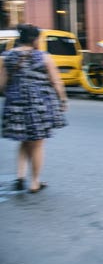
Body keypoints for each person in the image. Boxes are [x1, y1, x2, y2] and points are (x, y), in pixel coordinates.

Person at [0, 24, 68, 193]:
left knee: (24, 141)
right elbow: (56, 82)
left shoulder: (7, 57)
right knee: (37, 144)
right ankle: (35, 182)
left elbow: (1, 84)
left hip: (15, 104)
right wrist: (63, 100)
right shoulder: (43, 57)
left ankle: (20, 177)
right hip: (38, 106)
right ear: (36, 40)